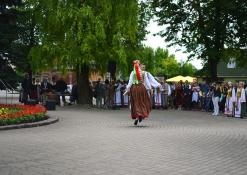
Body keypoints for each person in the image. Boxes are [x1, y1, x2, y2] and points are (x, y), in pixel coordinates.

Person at [125, 60, 161, 125]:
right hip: (142, 88)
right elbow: (147, 82)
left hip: (134, 88)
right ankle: (141, 114)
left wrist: (127, 89)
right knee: (143, 102)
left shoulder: (132, 73)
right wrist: (150, 89)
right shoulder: (144, 73)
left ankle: (137, 116)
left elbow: (130, 82)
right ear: (139, 66)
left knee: (135, 102)